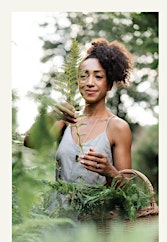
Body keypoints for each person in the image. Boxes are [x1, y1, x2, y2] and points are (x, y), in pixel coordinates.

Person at [24, 38, 133, 186]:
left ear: (109, 84)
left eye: (98, 76)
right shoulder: (66, 119)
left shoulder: (118, 127)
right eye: (83, 76)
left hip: (97, 209)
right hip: (57, 208)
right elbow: (30, 143)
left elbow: (128, 191)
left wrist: (110, 172)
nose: (89, 82)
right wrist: (52, 116)